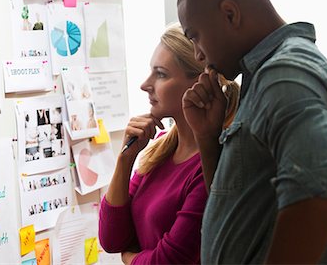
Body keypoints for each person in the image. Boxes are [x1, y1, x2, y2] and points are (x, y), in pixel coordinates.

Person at [177, 0, 327, 264]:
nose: (199, 55)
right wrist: (207, 137)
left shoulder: (283, 72)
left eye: (195, 37)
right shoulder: (261, 78)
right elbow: (236, 207)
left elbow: (319, 193)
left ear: (230, 14)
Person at [98, 23, 239, 264]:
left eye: (161, 74)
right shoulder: (161, 147)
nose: (145, 85)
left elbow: (168, 260)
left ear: (200, 83)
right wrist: (125, 159)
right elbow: (112, 239)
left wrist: (130, 258)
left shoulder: (212, 162)